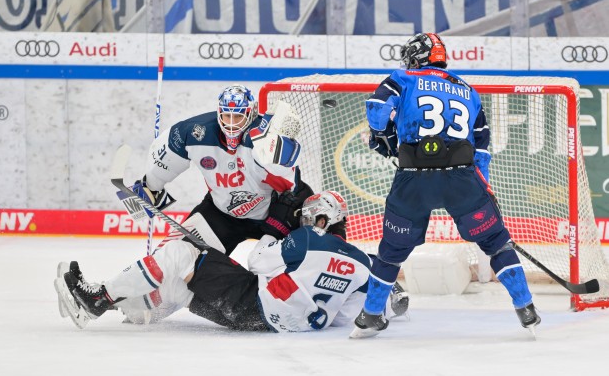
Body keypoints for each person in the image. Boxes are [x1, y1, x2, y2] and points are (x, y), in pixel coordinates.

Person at [350, 33, 539, 338]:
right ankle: (526, 307)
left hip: (414, 180)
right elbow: (481, 149)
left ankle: (371, 315)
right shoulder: (467, 90)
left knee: (391, 252)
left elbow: (376, 107)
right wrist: (483, 187)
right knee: (496, 243)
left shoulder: (402, 77)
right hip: (462, 180)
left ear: (415, 57)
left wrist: (382, 137)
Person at [54, 191, 408, 331]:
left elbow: (256, 260)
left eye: (304, 217)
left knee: (179, 253)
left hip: (250, 304)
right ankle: (134, 309)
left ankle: (96, 298)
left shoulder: (305, 240)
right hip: (261, 324)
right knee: (180, 285)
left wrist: (273, 229)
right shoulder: (364, 263)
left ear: (318, 219)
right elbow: (368, 309)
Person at [132, 84, 312, 256]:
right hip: (222, 214)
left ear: (250, 114)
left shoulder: (264, 140)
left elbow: (292, 186)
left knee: (263, 263)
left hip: (272, 215)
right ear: (219, 113)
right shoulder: (194, 132)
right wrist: (151, 186)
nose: (232, 124)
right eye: (227, 116)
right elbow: (166, 159)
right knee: (173, 257)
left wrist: (279, 151)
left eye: (238, 116)